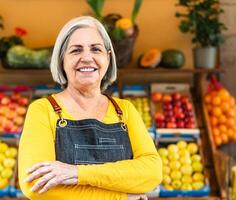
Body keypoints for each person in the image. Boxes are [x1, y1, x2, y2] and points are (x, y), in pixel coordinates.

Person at [18, 16, 162, 200]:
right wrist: (122, 197)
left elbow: (152, 173)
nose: (87, 58)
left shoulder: (125, 111)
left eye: (96, 49)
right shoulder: (42, 110)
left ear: (108, 58)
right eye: (76, 50)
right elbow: (36, 185)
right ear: (62, 60)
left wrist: (76, 173)